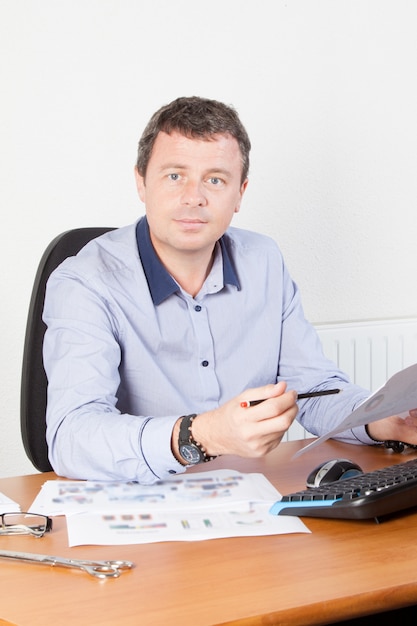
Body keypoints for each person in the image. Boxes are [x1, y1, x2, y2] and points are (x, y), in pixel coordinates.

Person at [43, 96, 417, 483]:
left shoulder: (264, 260)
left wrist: (383, 421)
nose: (194, 197)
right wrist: (201, 436)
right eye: (174, 176)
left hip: (250, 492)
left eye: (215, 179)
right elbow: (71, 436)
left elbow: (315, 388)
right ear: (141, 181)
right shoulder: (85, 280)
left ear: (240, 192)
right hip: (135, 501)